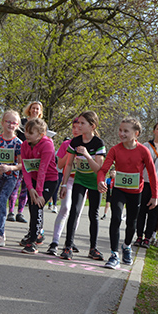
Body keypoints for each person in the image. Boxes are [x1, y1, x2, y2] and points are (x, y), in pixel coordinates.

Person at [96, 117, 158, 269]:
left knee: (132, 223)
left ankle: (127, 246)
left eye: (126, 131)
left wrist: (155, 196)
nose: (121, 134)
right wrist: (101, 180)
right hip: (118, 190)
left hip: (136, 192)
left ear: (136, 134)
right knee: (116, 218)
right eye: (120, 130)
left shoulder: (143, 151)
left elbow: (152, 173)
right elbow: (103, 169)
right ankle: (113, 254)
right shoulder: (115, 149)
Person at [60, 111, 106, 261]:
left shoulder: (98, 143)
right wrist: (64, 184)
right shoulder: (75, 141)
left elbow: (98, 169)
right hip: (79, 180)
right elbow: (68, 165)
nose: (78, 126)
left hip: (94, 182)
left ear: (92, 126)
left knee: (94, 214)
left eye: (82, 123)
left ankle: (93, 248)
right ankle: (68, 246)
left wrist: (86, 155)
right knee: (74, 210)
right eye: (78, 123)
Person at [18, 118, 58, 254]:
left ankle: (33, 241)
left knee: (37, 205)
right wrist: (30, 188)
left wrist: (39, 192)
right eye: (26, 132)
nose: (27, 135)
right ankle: (35, 234)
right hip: (33, 180)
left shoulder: (47, 145)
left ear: (41, 135)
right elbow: (26, 169)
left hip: (49, 180)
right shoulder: (24, 145)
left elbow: (43, 169)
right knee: (32, 206)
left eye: (31, 133)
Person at [45, 120, 85, 256]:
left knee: (77, 211)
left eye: (78, 128)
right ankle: (54, 242)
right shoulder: (66, 144)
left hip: (82, 182)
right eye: (73, 127)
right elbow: (60, 165)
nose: (75, 130)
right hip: (68, 180)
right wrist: (70, 153)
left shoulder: (90, 145)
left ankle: (70, 240)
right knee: (66, 207)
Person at [0, 110, 23, 248]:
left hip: (11, 178)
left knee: (2, 200)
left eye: (14, 123)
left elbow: (21, 164)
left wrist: (10, 168)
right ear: (2, 123)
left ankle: (0, 235)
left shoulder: (18, 143)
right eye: (8, 121)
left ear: (18, 125)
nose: (10, 125)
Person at [135, 122, 158, 248]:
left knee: (154, 212)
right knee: (141, 211)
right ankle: (139, 236)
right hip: (144, 180)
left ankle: (147, 238)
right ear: (154, 131)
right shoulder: (146, 146)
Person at [9, 100, 46, 223]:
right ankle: (11, 211)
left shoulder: (42, 124)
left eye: (37, 109)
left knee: (26, 186)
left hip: (33, 159)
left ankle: (20, 212)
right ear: (29, 109)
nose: (35, 110)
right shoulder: (23, 122)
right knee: (16, 184)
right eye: (33, 108)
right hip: (20, 155)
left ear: (40, 112)